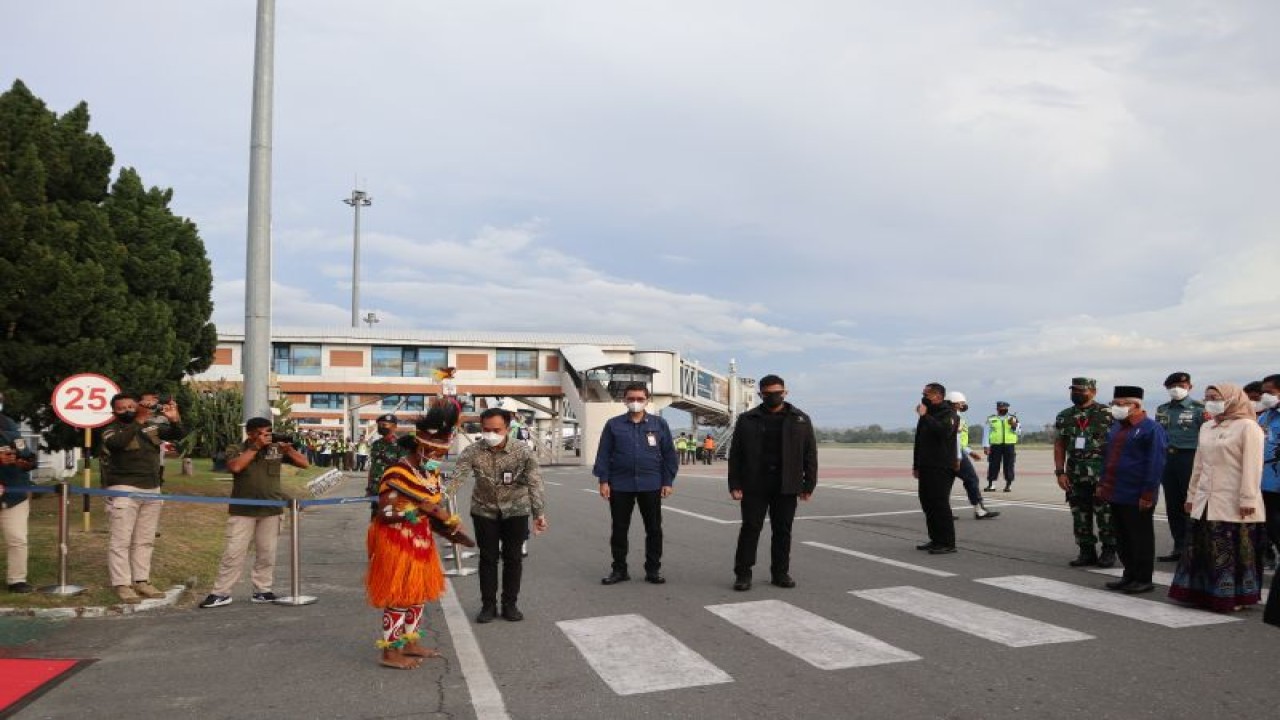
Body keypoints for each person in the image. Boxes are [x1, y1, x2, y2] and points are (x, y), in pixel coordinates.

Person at [366, 399, 475, 669]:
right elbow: (385, 513)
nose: (437, 458)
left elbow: (431, 510)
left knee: (418, 593)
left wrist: (447, 526)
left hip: (421, 538)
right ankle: (390, 652)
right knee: (401, 595)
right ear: (420, 446)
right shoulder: (397, 472)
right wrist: (421, 509)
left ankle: (410, 642)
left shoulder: (430, 474)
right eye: (434, 453)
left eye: (442, 454)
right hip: (396, 540)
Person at [1169, 383, 1268, 612]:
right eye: (1207, 398)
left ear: (1232, 399)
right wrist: (1192, 495)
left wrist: (1248, 499)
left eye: (1215, 397)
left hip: (1233, 499)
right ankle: (1202, 593)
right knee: (1203, 549)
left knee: (1230, 549)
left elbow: (1253, 467)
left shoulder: (1248, 427)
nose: (1210, 402)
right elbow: (1199, 464)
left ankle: (1235, 597)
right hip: (1205, 499)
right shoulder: (1207, 427)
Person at [200, 417, 309, 608]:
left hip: (271, 509)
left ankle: (262, 590)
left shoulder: (275, 449)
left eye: (269, 431)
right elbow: (235, 467)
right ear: (250, 433)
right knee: (233, 552)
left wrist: (288, 450)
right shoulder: (236, 448)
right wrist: (256, 447)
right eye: (261, 432)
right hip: (243, 510)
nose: (266, 436)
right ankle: (221, 592)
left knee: (267, 553)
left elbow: (304, 463)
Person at [454, 408, 547, 623]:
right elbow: (457, 479)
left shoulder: (523, 451)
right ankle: (488, 606)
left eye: (496, 430)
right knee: (488, 558)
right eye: (486, 429)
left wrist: (539, 513)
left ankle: (510, 605)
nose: (491, 434)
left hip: (516, 510)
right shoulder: (472, 451)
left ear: (508, 428)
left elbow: (535, 483)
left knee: (513, 558)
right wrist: (436, 503)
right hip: (484, 510)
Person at [729, 374, 818, 589]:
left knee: (783, 531)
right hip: (755, 484)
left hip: (786, 485)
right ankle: (743, 574)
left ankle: (780, 573)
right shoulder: (747, 419)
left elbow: (810, 454)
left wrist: (809, 484)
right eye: (768, 394)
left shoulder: (800, 419)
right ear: (760, 394)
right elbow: (736, 454)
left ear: (785, 392)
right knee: (750, 529)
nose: (773, 397)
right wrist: (735, 484)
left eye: (777, 393)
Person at [100, 393, 186, 604]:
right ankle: (122, 584)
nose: (128, 410)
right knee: (121, 540)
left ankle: (141, 581)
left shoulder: (150, 427)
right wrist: (138, 419)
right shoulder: (111, 430)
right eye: (122, 408)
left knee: (145, 540)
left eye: (131, 406)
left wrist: (174, 419)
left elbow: (177, 435)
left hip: (152, 488)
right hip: (123, 489)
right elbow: (117, 444)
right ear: (114, 412)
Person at [594, 383, 678, 585]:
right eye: (631, 398)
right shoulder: (613, 424)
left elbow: (669, 454)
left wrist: (667, 481)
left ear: (647, 401)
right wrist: (604, 480)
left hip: (651, 484)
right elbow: (604, 453)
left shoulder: (659, 424)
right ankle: (619, 570)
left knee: (654, 529)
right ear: (624, 400)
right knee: (619, 529)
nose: (635, 402)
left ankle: (653, 570)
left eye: (640, 399)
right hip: (620, 485)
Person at [1096, 386, 1168, 594]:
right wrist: (1102, 484)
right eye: (1114, 404)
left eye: (1121, 404)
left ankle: (1143, 578)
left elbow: (1156, 464)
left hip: (1137, 494)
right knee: (1122, 537)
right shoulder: (1116, 428)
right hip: (1115, 491)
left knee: (1140, 538)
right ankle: (1129, 575)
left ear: (1135, 405)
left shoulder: (1151, 429)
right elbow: (1108, 459)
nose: (1116, 408)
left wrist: (1148, 493)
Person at [1053, 378, 1117, 568]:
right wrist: (1060, 472)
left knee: (1105, 513)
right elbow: (1059, 445)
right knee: (1079, 514)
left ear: (1093, 392)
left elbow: (1118, 445)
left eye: (1081, 390)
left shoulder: (1108, 414)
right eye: (1074, 390)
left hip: (1101, 473)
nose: (1077, 393)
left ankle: (1108, 550)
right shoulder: (1064, 416)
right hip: (1074, 473)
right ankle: (1086, 551)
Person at [1153, 371, 1207, 563]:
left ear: (1190, 387)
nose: (1177, 389)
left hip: (1190, 458)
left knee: (1191, 503)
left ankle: (1196, 548)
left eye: (1182, 386)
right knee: (1173, 504)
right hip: (1168, 459)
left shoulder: (1200, 409)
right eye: (1172, 386)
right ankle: (1179, 546)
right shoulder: (1162, 409)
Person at [913, 383, 960, 554]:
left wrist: (925, 416)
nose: (924, 397)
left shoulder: (950, 413)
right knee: (927, 503)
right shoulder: (928, 414)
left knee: (940, 504)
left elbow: (943, 432)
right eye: (923, 393)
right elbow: (919, 441)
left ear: (938, 395)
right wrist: (916, 465)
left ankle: (947, 543)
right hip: (926, 465)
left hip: (941, 466)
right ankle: (935, 539)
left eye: (927, 394)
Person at [1, 392, 38, 594]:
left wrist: (24, 462)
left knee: (17, 538)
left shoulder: (9, 425)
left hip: (14, 494)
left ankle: (17, 580)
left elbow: (29, 457)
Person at [946, 392, 999, 520]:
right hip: (954, 454)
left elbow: (959, 439)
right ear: (954, 403)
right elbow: (955, 439)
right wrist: (959, 457)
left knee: (946, 484)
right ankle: (979, 510)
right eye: (961, 403)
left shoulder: (955, 416)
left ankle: (944, 512)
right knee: (971, 479)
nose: (964, 405)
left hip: (953, 453)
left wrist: (969, 451)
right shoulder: (952, 417)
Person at [1258, 374, 1280, 569]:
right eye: (1263, 392)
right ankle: (1269, 556)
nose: (1265, 396)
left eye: (1269, 392)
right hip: (1265, 481)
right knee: (1269, 524)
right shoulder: (1265, 416)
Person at [982, 401, 1019, 492]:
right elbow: (986, 433)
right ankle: (991, 485)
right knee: (993, 464)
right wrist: (986, 446)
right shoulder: (991, 419)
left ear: (1007, 408)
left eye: (1004, 408)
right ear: (997, 409)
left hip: (1009, 445)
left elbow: (1019, 432)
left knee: (1009, 465)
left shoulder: (1013, 418)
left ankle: (1008, 485)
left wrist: (1013, 426)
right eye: (1000, 408)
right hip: (995, 445)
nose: (1003, 409)